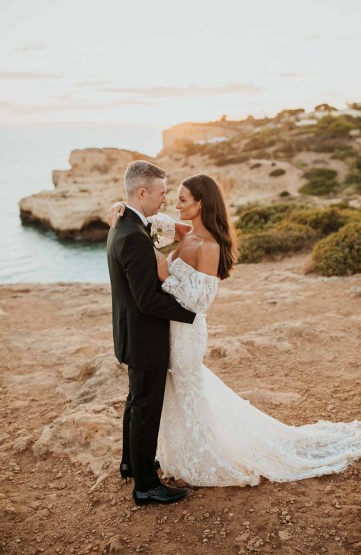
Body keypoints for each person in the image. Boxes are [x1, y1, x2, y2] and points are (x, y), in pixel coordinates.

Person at [108, 173, 361, 487]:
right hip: (170, 329)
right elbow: (144, 222)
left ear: (201, 204)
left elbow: (201, 301)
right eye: (172, 196)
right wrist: (120, 206)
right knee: (173, 393)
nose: (174, 204)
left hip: (187, 333)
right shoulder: (184, 231)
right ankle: (171, 455)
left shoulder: (209, 245)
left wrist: (167, 278)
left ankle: (204, 456)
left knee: (189, 390)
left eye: (182, 199)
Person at [106, 160, 196, 506]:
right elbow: (147, 300)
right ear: (142, 192)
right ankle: (145, 485)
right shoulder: (133, 237)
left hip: (131, 333)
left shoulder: (124, 224)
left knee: (135, 402)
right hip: (145, 337)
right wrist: (189, 311)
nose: (164, 200)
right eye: (160, 192)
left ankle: (131, 462)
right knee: (146, 408)